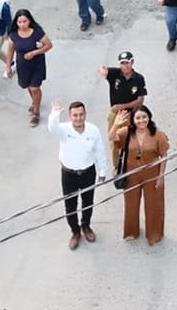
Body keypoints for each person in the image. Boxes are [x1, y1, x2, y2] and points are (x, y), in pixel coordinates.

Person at [48, 100, 113, 250]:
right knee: (70, 206)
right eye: (75, 115)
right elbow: (52, 128)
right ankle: (75, 232)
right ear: (70, 116)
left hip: (88, 172)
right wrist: (55, 114)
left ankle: (86, 227)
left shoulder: (93, 130)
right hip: (68, 174)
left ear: (85, 115)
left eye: (81, 114)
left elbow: (100, 151)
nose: (78, 118)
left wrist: (102, 171)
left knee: (88, 202)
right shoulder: (63, 130)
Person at [111, 105, 171, 244]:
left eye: (144, 117)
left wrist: (161, 176)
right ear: (133, 119)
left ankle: (154, 233)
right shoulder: (126, 132)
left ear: (149, 117)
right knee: (131, 204)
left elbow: (164, 155)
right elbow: (112, 137)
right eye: (138, 118)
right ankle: (131, 231)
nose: (141, 120)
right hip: (131, 174)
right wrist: (116, 125)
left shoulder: (157, 134)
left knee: (154, 204)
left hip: (152, 173)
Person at [6, 9, 53, 126]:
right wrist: (8, 66)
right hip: (22, 65)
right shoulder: (13, 34)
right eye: (19, 22)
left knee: (35, 88)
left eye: (24, 21)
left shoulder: (37, 32)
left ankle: (36, 112)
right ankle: (35, 102)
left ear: (29, 20)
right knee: (27, 85)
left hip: (37, 64)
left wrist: (34, 53)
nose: (22, 24)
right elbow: (10, 50)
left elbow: (49, 45)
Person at [97, 52, 149, 127]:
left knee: (130, 137)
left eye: (127, 63)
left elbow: (140, 101)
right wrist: (103, 71)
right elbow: (102, 68)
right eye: (122, 63)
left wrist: (122, 106)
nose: (125, 66)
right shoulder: (115, 73)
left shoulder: (139, 78)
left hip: (131, 114)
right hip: (116, 114)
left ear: (132, 62)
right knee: (113, 137)